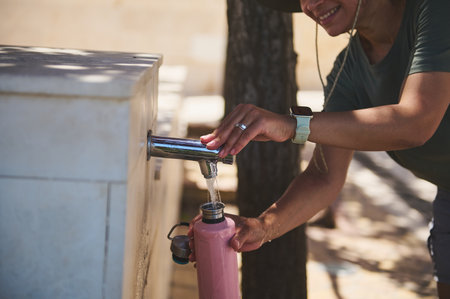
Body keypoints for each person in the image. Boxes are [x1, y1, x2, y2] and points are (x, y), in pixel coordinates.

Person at [189, 0, 450, 297]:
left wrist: (293, 125)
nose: (310, 5)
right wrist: (261, 226)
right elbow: (324, 176)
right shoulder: (347, 70)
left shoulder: (437, 10)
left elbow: (416, 122)